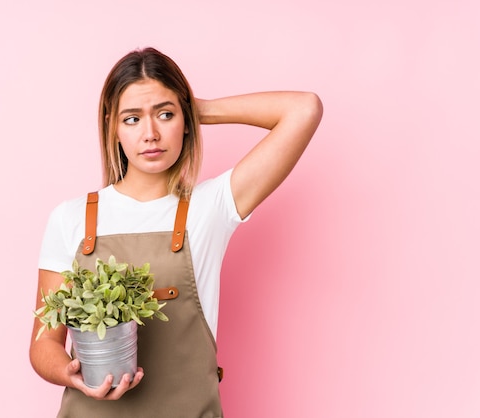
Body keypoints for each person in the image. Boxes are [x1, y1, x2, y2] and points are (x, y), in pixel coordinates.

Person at [29, 47, 323, 417]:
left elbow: (304, 109)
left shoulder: (211, 207)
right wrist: (71, 374)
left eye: (164, 115)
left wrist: (199, 109)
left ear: (185, 120)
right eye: (132, 119)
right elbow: (44, 343)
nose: (150, 133)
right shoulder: (69, 218)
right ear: (112, 127)